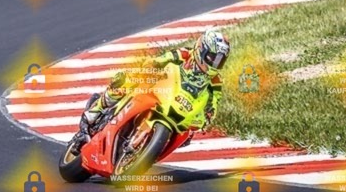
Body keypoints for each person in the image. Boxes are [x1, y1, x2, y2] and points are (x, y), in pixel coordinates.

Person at [70, 29, 231, 155]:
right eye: (212, 57)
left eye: (220, 60)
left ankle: (145, 149)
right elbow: (163, 59)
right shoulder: (185, 54)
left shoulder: (215, 80)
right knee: (129, 79)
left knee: (187, 135)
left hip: (179, 104)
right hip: (161, 86)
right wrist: (153, 64)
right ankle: (94, 112)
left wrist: (209, 114)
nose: (215, 63)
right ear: (201, 49)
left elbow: (214, 102)